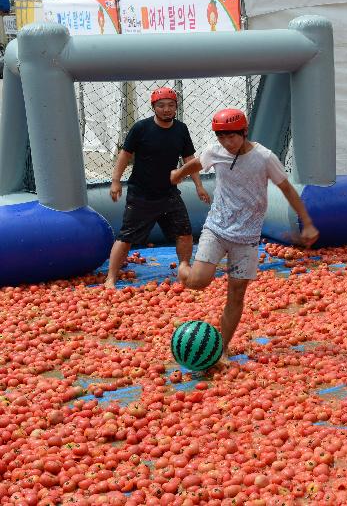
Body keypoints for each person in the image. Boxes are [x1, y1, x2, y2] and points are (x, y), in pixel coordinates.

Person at [170, 108, 319, 355]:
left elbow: (287, 189)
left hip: (247, 238)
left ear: (244, 132)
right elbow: (196, 163)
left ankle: (222, 348)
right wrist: (178, 173)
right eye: (222, 138)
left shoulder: (264, 157)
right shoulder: (215, 151)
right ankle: (184, 266)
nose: (227, 143)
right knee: (198, 282)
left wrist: (307, 222)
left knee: (236, 293)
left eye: (232, 137)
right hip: (217, 229)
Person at [105, 87, 210, 289]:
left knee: (185, 232)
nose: (166, 110)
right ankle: (111, 276)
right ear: (153, 107)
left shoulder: (181, 129)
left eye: (171, 105)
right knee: (126, 237)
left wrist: (199, 185)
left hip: (169, 194)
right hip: (141, 194)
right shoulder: (141, 128)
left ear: (176, 108)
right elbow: (125, 155)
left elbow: (189, 160)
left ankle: (184, 269)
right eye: (161, 106)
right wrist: (116, 181)